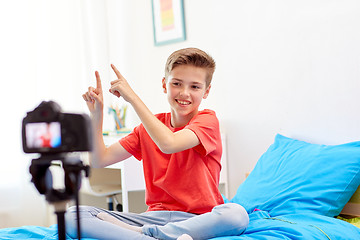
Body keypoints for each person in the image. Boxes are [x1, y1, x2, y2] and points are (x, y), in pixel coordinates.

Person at [66, 48, 249, 240]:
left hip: (197, 221)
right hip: (152, 218)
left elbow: (168, 143)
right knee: (74, 215)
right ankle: (150, 236)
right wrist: (97, 115)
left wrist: (132, 98)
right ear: (164, 84)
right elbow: (99, 160)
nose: (185, 93)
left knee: (236, 215)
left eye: (195, 87)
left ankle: (148, 236)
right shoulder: (148, 128)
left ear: (206, 91)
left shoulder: (207, 121)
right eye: (177, 83)